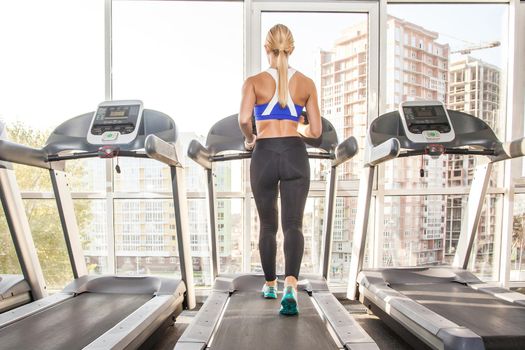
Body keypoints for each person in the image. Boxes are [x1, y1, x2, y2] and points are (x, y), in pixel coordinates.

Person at [238, 24, 322, 316]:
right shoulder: (307, 84)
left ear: (266, 49)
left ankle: (270, 284)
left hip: (264, 154)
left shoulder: (253, 82)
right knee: (293, 225)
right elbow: (317, 130)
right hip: (295, 153)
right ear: (292, 49)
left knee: (268, 226)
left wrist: (251, 139)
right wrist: (296, 125)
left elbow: (243, 118)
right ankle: (291, 287)